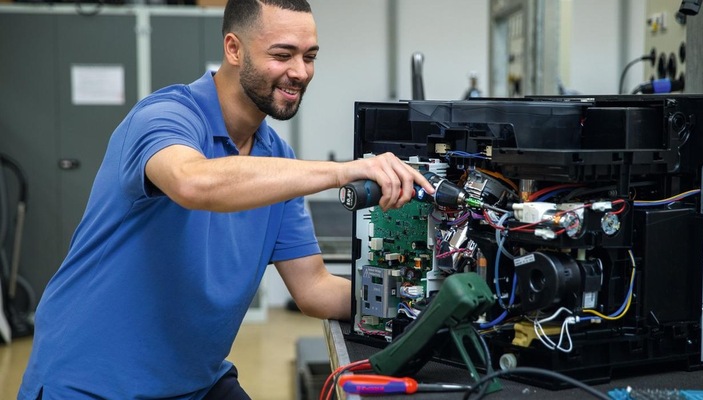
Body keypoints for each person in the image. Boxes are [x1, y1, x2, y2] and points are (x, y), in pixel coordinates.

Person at [18, 0, 433, 398]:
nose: (300, 72)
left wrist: (422, 303)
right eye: (283, 54)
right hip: (92, 384)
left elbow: (313, 288)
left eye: (310, 56)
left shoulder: (277, 160)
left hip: (193, 384)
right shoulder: (164, 116)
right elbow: (192, 183)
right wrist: (343, 170)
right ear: (233, 48)